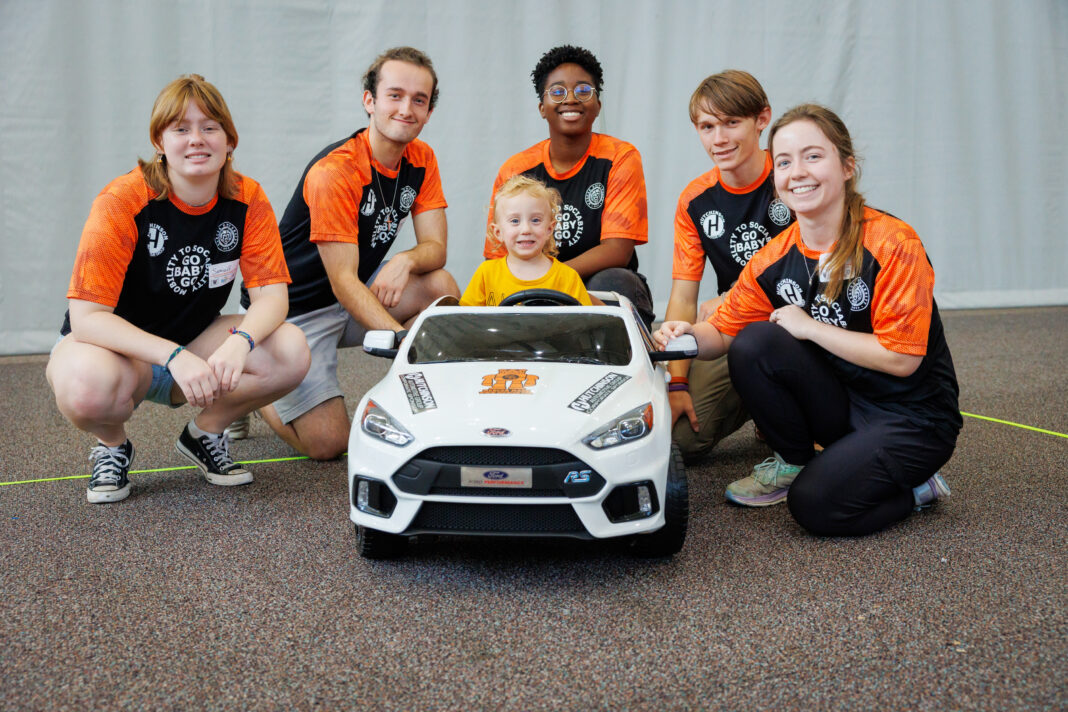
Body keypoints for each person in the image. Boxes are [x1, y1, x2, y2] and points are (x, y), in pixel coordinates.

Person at [654, 104, 961, 537]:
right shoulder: (775, 256)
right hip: (845, 399)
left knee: (815, 508)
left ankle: (917, 488)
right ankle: (795, 461)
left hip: (911, 416)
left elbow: (901, 359)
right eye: (784, 162)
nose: (797, 171)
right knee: (754, 343)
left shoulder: (894, 243)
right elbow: (722, 332)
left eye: (813, 156)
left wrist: (810, 327)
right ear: (775, 178)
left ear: (847, 167)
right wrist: (683, 335)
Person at [46, 74, 310, 504]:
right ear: (159, 141)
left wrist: (240, 343)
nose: (196, 140)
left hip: (192, 341)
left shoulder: (248, 199)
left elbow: (273, 298)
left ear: (229, 141)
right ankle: (113, 446)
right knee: (85, 385)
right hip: (115, 353)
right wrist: (173, 356)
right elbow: (87, 318)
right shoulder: (122, 201)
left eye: (210, 128)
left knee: (291, 349)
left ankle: (205, 433)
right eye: (181, 129)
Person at [244, 46, 460, 460]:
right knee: (328, 445)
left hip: (352, 293)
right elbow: (342, 281)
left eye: (419, 100)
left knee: (440, 288)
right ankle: (252, 389)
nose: (406, 108)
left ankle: (424, 412)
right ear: (370, 101)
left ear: (429, 111)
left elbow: (436, 249)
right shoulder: (335, 172)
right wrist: (400, 342)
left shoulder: (421, 158)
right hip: (293, 310)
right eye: (394, 95)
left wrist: (405, 259)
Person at [664, 70, 794, 461]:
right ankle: (763, 404)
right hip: (738, 330)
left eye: (731, 123)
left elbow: (821, 274)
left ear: (762, 119)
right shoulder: (695, 199)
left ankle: (795, 410)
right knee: (683, 442)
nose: (718, 139)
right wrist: (677, 384)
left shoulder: (794, 178)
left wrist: (733, 301)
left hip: (804, 323)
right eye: (707, 126)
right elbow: (684, 298)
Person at [483, 45, 653, 326]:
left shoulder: (620, 157)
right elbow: (497, 256)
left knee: (614, 279)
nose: (571, 99)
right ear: (542, 107)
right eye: (558, 92)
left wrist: (551, 277)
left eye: (584, 90)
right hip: (529, 281)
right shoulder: (515, 170)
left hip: (596, 282)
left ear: (598, 105)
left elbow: (617, 250)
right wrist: (533, 281)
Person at [462, 175, 593, 307]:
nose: (526, 229)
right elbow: (464, 321)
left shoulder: (568, 278)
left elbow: (586, 322)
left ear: (549, 229)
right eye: (515, 221)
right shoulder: (486, 274)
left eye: (535, 220)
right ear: (498, 232)